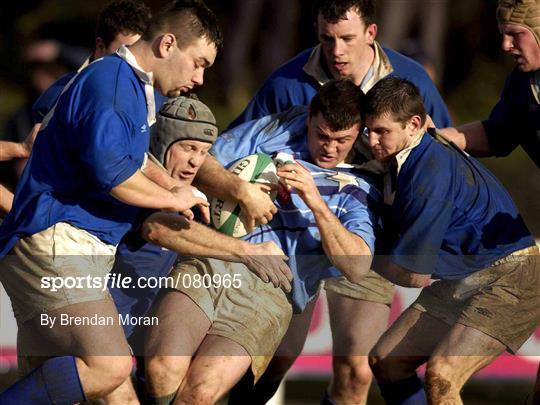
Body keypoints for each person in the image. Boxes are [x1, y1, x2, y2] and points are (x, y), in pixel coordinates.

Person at [226, 1, 451, 403]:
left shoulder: (410, 80)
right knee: (276, 358)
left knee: (356, 371)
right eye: (327, 39)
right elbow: (233, 153)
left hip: (367, 240)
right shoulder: (286, 82)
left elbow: (443, 160)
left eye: (347, 38)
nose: (337, 51)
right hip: (291, 239)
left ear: (371, 32)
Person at [0, 1, 222, 403]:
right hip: (58, 243)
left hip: (64, 244)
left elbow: (132, 162)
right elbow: (115, 178)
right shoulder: (113, 82)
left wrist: (170, 189)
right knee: (111, 365)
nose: (200, 77)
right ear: (168, 44)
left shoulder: (131, 87)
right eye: (199, 63)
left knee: (114, 394)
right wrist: (174, 196)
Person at [145, 79, 382, 405]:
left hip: (269, 289)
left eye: (342, 141)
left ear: (359, 135)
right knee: (162, 368)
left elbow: (357, 267)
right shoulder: (278, 132)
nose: (329, 148)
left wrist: (314, 200)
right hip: (213, 259)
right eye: (322, 135)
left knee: (199, 393)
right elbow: (203, 162)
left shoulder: (361, 186)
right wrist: (241, 190)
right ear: (309, 118)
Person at [104, 95, 291, 405]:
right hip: (100, 332)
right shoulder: (135, 184)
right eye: (188, 148)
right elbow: (157, 229)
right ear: (162, 142)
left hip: (135, 335)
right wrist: (246, 250)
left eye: (203, 153)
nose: (195, 161)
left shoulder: (193, 198)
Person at [362, 76, 539, 404]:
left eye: (382, 132)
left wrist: (353, 253)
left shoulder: (429, 174)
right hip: (468, 276)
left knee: (442, 375)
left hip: (512, 277)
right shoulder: (409, 152)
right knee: (386, 361)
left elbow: (415, 275)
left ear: (414, 125)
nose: (371, 141)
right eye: (367, 130)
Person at [440, 0, 540, 168]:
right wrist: (439, 137)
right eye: (504, 35)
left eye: (515, 34)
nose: (506, 45)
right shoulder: (522, 84)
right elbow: (497, 134)